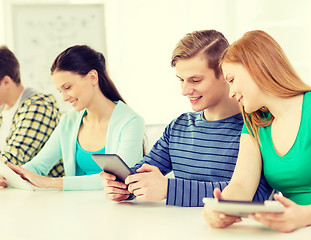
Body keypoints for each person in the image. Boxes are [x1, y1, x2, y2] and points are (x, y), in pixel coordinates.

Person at [204, 30, 311, 232]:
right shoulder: (254, 122)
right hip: (293, 229)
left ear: (255, 67)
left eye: (231, 80)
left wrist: (302, 216)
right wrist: (221, 207)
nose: (231, 94)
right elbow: (241, 184)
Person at [100, 30, 273, 206]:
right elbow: (141, 174)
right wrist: (123, 187)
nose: (184, 90)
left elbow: (256, 195)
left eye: (195, 80)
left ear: (224, 73)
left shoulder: (257, 126)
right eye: (181, 80)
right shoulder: (179, 126)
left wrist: (169, 189)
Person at [0, 45, 145, 190]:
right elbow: (38, 166)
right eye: (60, 91)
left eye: (68, 87)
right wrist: (11, 176)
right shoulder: (69, 121)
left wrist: (51, 182)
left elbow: (120, 179)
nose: (64, 98)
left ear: (93, 77)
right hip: (75, 207)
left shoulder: (131, 122)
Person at [0, 46, 63, 178]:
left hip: (48, 193)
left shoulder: (39, 106)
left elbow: (13, 158)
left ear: (6, 82)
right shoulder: (3, 110)